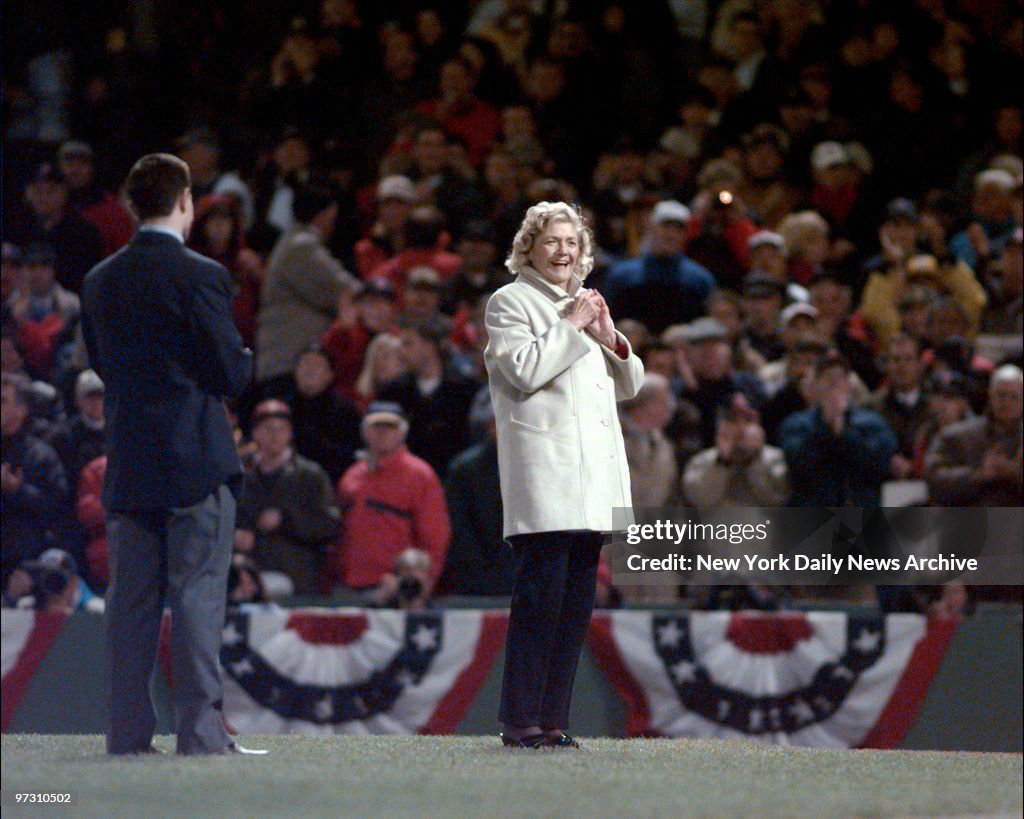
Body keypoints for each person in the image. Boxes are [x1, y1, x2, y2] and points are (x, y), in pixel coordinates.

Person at [80, 153, 261, 756]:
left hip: (130, 463)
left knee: (129, 605)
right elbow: (227, 371)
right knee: (196, 598)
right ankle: (201, 734)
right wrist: (243, 359)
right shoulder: (201, 274)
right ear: (184, 199)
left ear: (133, 204)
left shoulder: (100, 279)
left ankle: (127, 734)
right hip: (195, 463)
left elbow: (102, 366)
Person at [484, 201, 643, 749]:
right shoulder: (510, 302)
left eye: (572, 242)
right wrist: (575, 326)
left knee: (575, 607)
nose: (563, 252)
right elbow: (525, 369)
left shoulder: (584, 305)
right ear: (527, 248)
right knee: (539, 603)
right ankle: (521, 720)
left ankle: (551, 721)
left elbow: (631, 385)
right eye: (551, 241)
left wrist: (607, 334)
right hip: (547, 476)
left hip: (591, 478)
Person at [329, 401, 450, 591]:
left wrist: (420, 586)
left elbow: (435, 537)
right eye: (376, 426)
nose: (383, 432)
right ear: (364, 432)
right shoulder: (351, 475)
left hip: (395, 588)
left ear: (402, 433)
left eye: (391, 427)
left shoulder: (420, 475)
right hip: (348, 585)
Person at [234, 400, 341, 595]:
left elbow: (329, 524)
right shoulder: (240, 474)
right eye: (268, 429)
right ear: (256, 432)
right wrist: (235, 535)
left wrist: (286, 520)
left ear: (290, 433)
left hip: (296, 577)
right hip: (247, 577)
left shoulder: (310, 475)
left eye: (282, 429)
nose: (275, 436)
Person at [925, 364, 1023, 507]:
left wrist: (1017, 474)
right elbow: (934, 480)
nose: (1007, 403)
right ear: (990, 395)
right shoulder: (956, 436)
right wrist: (979, 474)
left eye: (1014, 397)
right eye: (1001, 395)